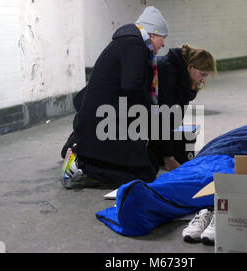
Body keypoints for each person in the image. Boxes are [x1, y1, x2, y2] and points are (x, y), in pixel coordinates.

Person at [61, 6, 168, 189]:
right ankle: (83, 166)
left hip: (105, 117)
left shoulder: (126, 43)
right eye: (162, 38)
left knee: (149, 164)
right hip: (104, 121)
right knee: (146, 174)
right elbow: (131, 85)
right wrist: (149, 112)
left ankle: (80, 151)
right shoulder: (134, 45)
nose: (163, 44)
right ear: (152, 34)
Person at [148, 44, 216, 171]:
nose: (203, 80)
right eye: (202, 75)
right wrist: (169, 158)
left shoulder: (183, 73)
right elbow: (164, 117)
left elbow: (178, 113)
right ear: (190, 67)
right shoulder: (168, 72)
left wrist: (192, 88)